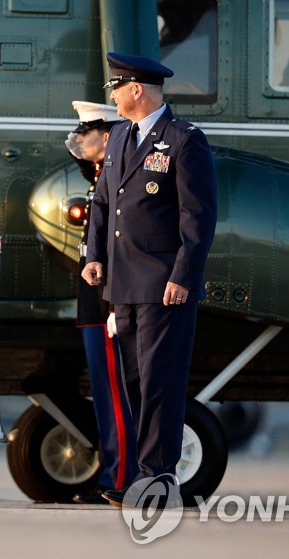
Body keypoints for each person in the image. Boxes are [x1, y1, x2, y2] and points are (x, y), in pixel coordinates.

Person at [81, 53, 217, 506]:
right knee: (137, 383)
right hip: (123, 284)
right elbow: (102, 203)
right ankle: (145, 475)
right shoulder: (119, 137)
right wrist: (94, 255)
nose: (114, 96)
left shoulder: (183, 140)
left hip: (165, 286)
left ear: (136, 90)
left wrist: (185, 274)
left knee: (161, 381)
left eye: (116, 88)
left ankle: (155, 481)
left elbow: (197, 215)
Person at [62, 103, 137, 505]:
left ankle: (123, 478)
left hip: (108, 299)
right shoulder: (101, 176)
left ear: (107, 135)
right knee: (104, 393)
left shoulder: (120, 177)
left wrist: (112, 305)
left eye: (89, 130)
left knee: (116, 391)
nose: (81, 138)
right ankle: (112, 472)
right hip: (91, 301)